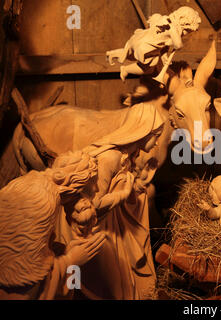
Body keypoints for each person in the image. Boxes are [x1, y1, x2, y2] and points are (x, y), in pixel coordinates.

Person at [54, 102, 166, 299]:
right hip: (93, 229)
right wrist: (123, 195)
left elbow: (118, 185)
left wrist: (133, 188)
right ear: (143, 131)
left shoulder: (128, 155)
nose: (157, 143)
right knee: (116, 286)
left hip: (111, 224)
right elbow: (94, 204)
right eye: (156, 137)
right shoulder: (110, 158)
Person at [0, 151, 105, 300]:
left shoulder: (36, 180)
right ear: (79, 182)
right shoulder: (44, 200)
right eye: (93, 182)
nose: (97, 190)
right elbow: (23, 280)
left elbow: (32, 252)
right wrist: (71, 261)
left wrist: (63, 252)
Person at [106, 6, 201, 82]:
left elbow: (164, 41)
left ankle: (112, 54)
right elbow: (178, 45)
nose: (185, 34)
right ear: (184, 23)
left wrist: (164, 55)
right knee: (149, 68)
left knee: (129, 55)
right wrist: (178, 41)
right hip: (146, 47)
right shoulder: (173, 29)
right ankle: (125, 69)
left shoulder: (165, 19)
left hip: (139, 39)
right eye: (187, 31)